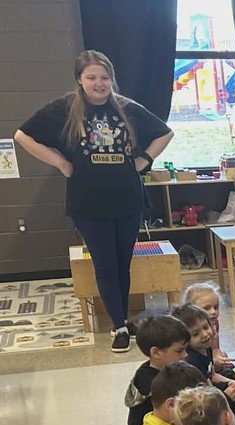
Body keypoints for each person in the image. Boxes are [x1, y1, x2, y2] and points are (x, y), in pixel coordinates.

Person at [14, 50, 173, 352]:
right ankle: (119, 326)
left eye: (104, 77)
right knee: (105, 266)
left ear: (111, 79)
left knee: (123, 264)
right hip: (88, 202)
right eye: (92, 77)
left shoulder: (127, 108)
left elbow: (165, 133)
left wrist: (144, 160)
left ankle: (122, 316)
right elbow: (23, 136)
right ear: (80, 79)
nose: (99, 83)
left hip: (127, 198)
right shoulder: (64, 108)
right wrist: (61, 163)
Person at [171, 303, 235, 423]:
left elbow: (212, 374)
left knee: (229, 374)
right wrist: (226, 393)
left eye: (206, 327)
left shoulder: (206, 347)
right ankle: (223, 414)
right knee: (227, 386)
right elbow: (205, 389)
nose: (205, 335)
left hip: (207, 386)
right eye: (195, 334)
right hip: (197, 398)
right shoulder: (192, 360)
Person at [125, 314, 190, 425]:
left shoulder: (162, 369)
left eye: (186, 349)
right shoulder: (153, 382)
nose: (185, 355)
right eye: (179, 351)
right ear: (156, 352)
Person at [183, 282, 235, 372]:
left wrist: (218, 358)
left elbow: (215, 348)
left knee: (223, 356)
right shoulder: (186, 326)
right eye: (206, 308)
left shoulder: (214, 323)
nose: (213, 312)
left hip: (206, 353)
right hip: (192, 359)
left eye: (216, 307)